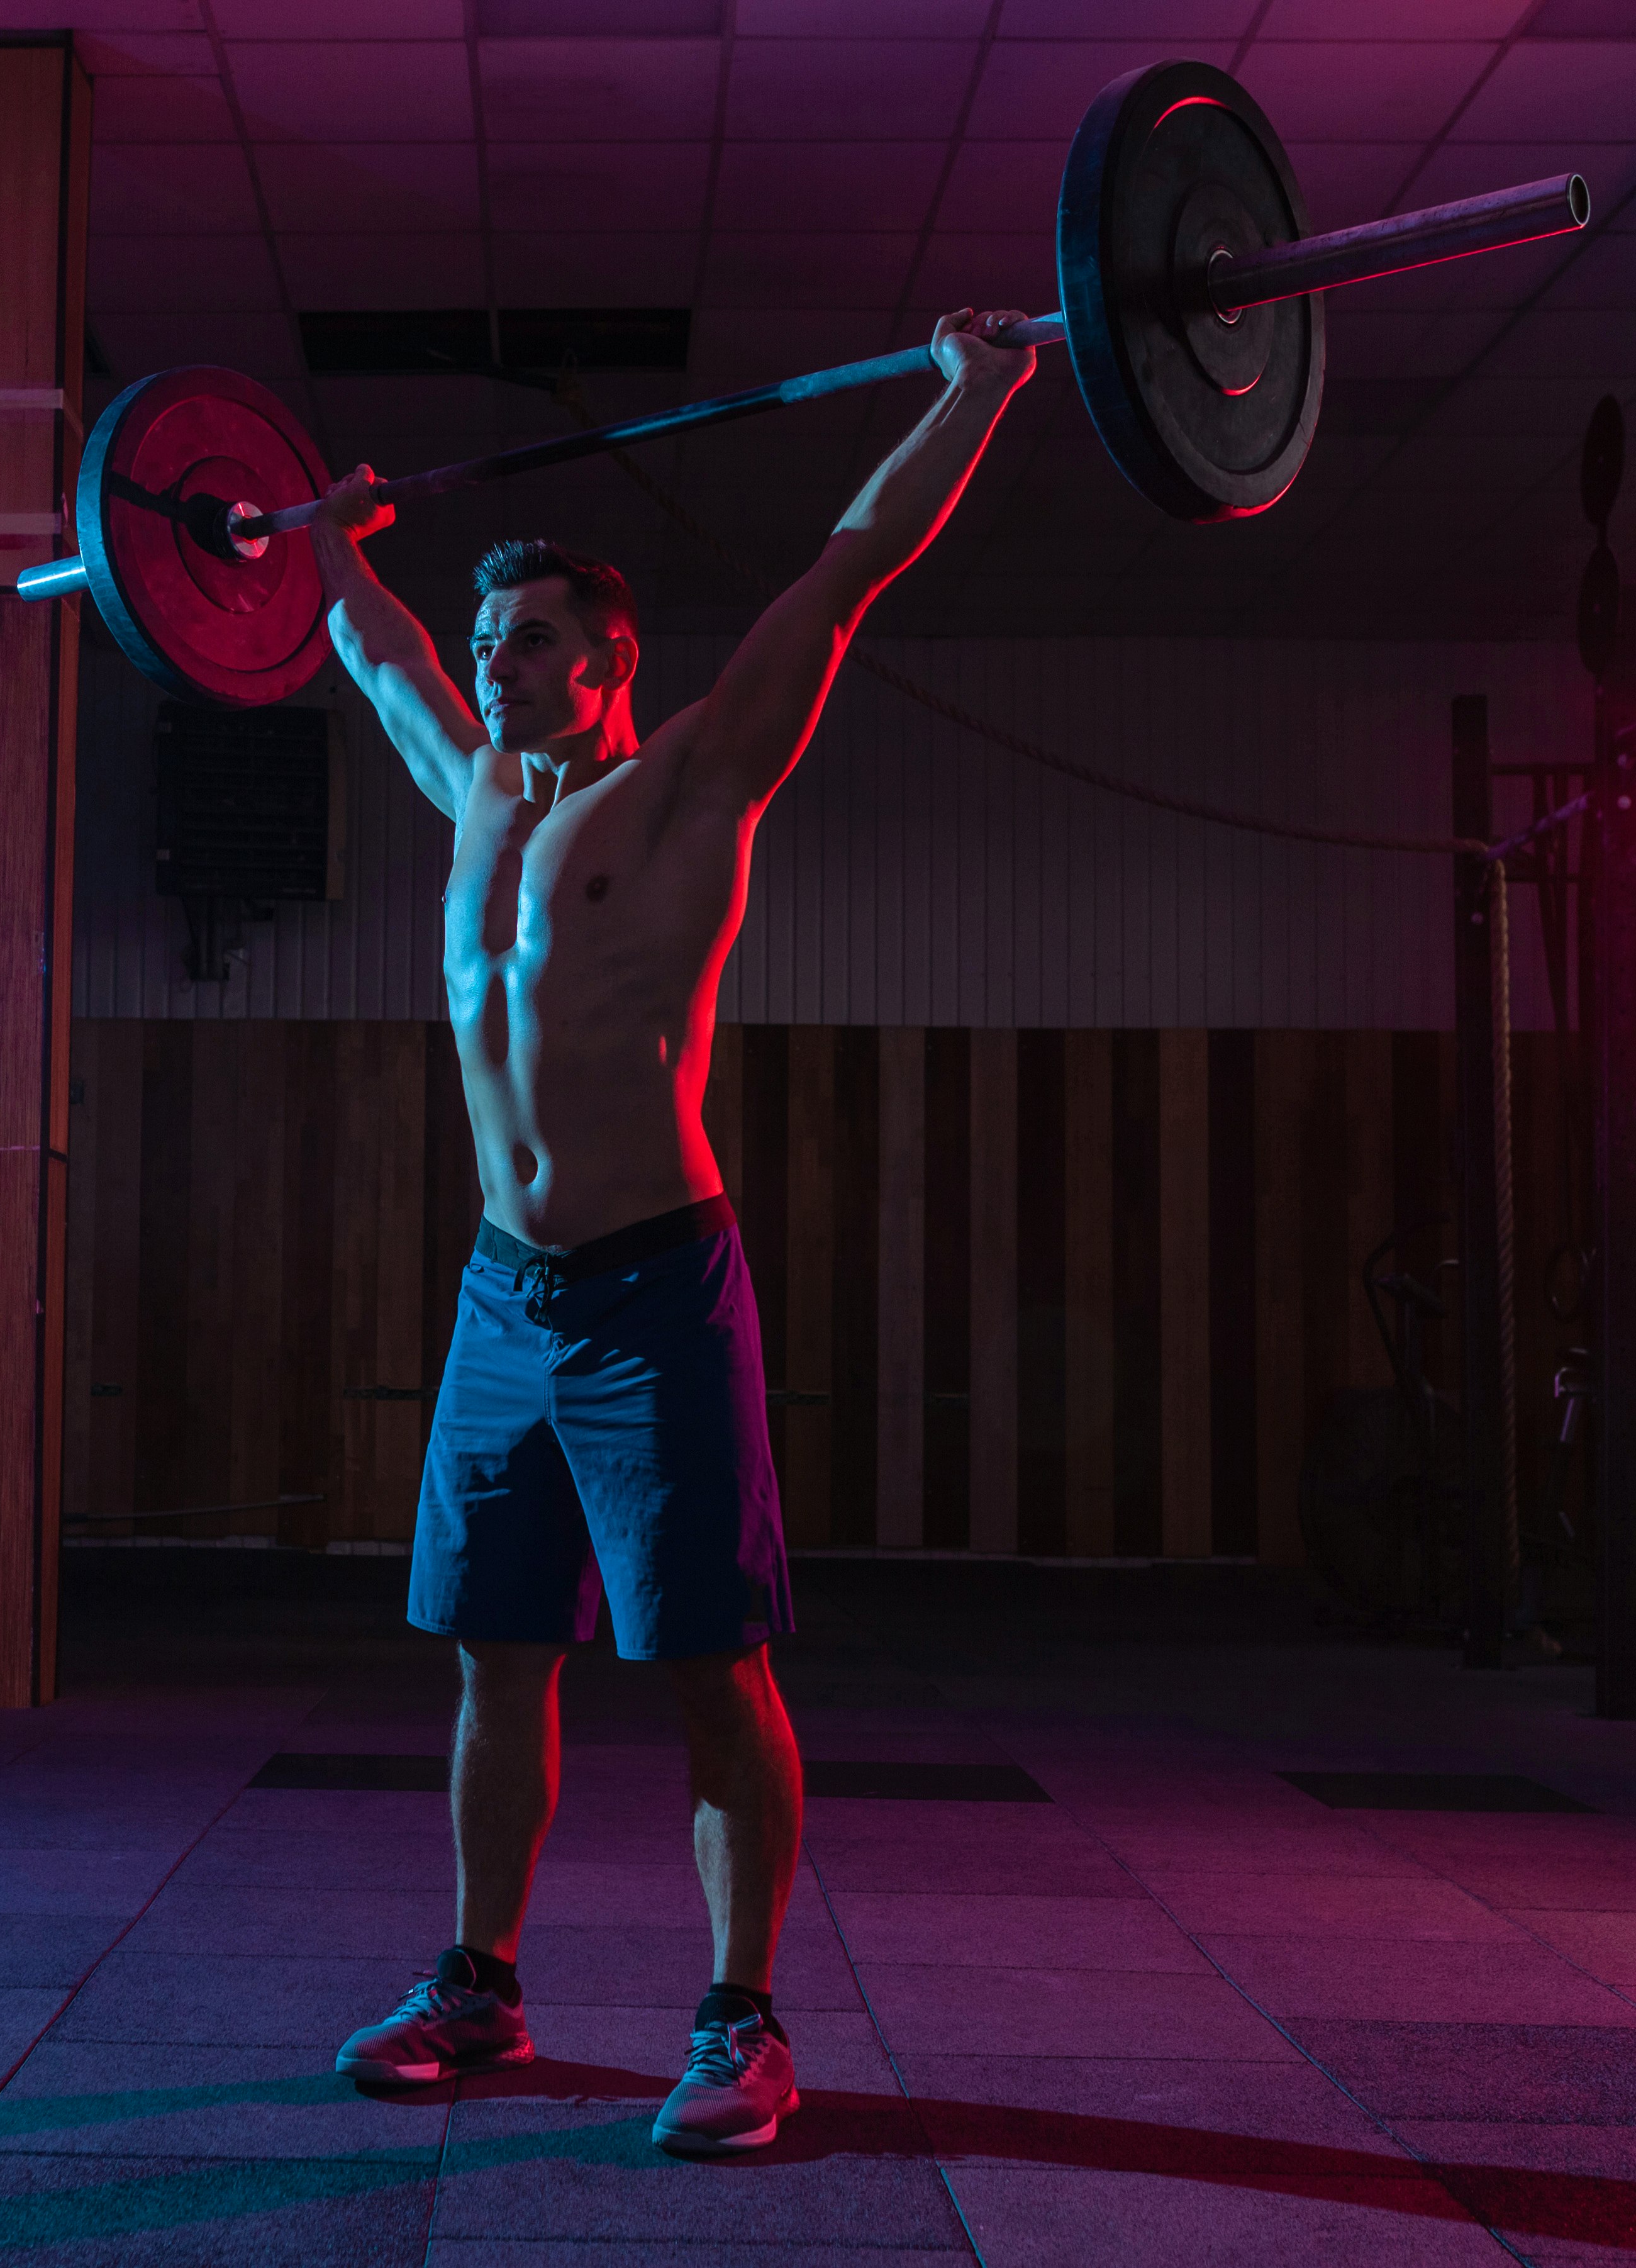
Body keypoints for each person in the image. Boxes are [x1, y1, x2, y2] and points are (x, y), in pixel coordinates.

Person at [316, 309, 1040, 2155]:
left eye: (533, 641)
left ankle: (742, 2022)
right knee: (493, 1654)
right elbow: (374, 651)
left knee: (715, 1671)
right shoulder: (473, 789)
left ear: (613, 659)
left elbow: (855, 561)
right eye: (490, 643)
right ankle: (479, 1989)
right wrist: (313, 538)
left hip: (654, 1293)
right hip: (504, 1297)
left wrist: (983, 387)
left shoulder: (699, 782)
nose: (496, 667)